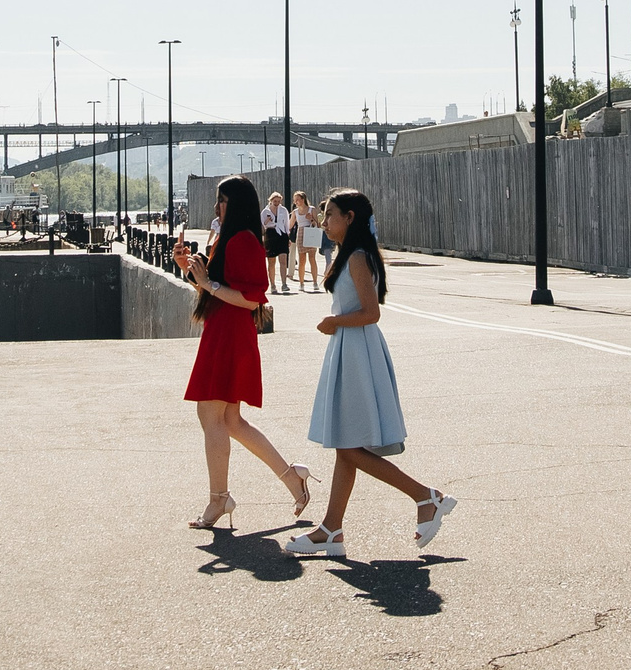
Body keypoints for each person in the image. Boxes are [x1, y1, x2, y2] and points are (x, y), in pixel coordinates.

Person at [284, 190, 456, 558]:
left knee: (347, 444)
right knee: (346, 444)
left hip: (357, 349)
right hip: (351, 348)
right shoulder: (349, 254)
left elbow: (371, 312)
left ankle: (425, 496)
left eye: (329, 215)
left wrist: (334, 321)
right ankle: (331, 529)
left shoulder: (359, 257)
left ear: (349, 217)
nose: (323, 221)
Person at [171, 174, 312, 530]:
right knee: (230, 420)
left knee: (210, 415)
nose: (218, 207)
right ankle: (291, 477)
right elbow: (218, 286)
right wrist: (189, 269)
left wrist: (207, 283)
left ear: (236, 204)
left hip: (230, 335)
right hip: (223, 331)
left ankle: (219, 498)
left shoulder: (245, 241)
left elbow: (251, 298)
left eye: (223, 201)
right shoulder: (231, 238)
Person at [264, 190, 295, 294]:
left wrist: (287, 237)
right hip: (271, 234)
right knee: (271, 261)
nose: (276, 203)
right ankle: (272, 285)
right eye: (275, 201)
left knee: (283, 259)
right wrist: (267, 221)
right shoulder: (265, 211)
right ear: (271, 200)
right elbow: (262, 225)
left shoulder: (283, 210)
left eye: (278, 201)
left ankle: (284, 283)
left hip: (282, 235)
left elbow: (286, 224)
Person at [296, 195, 323, 293]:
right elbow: (290, 225)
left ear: (303, 200)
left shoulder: (312, 209)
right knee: (302, 260)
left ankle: (315, 282)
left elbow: (317, 224)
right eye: (295, 200)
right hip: (300, 233)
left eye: (297, 199)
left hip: (310, 232)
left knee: (312, 258)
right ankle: (301, 283)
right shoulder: (295, 212)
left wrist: (311, 219)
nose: (296, 202)